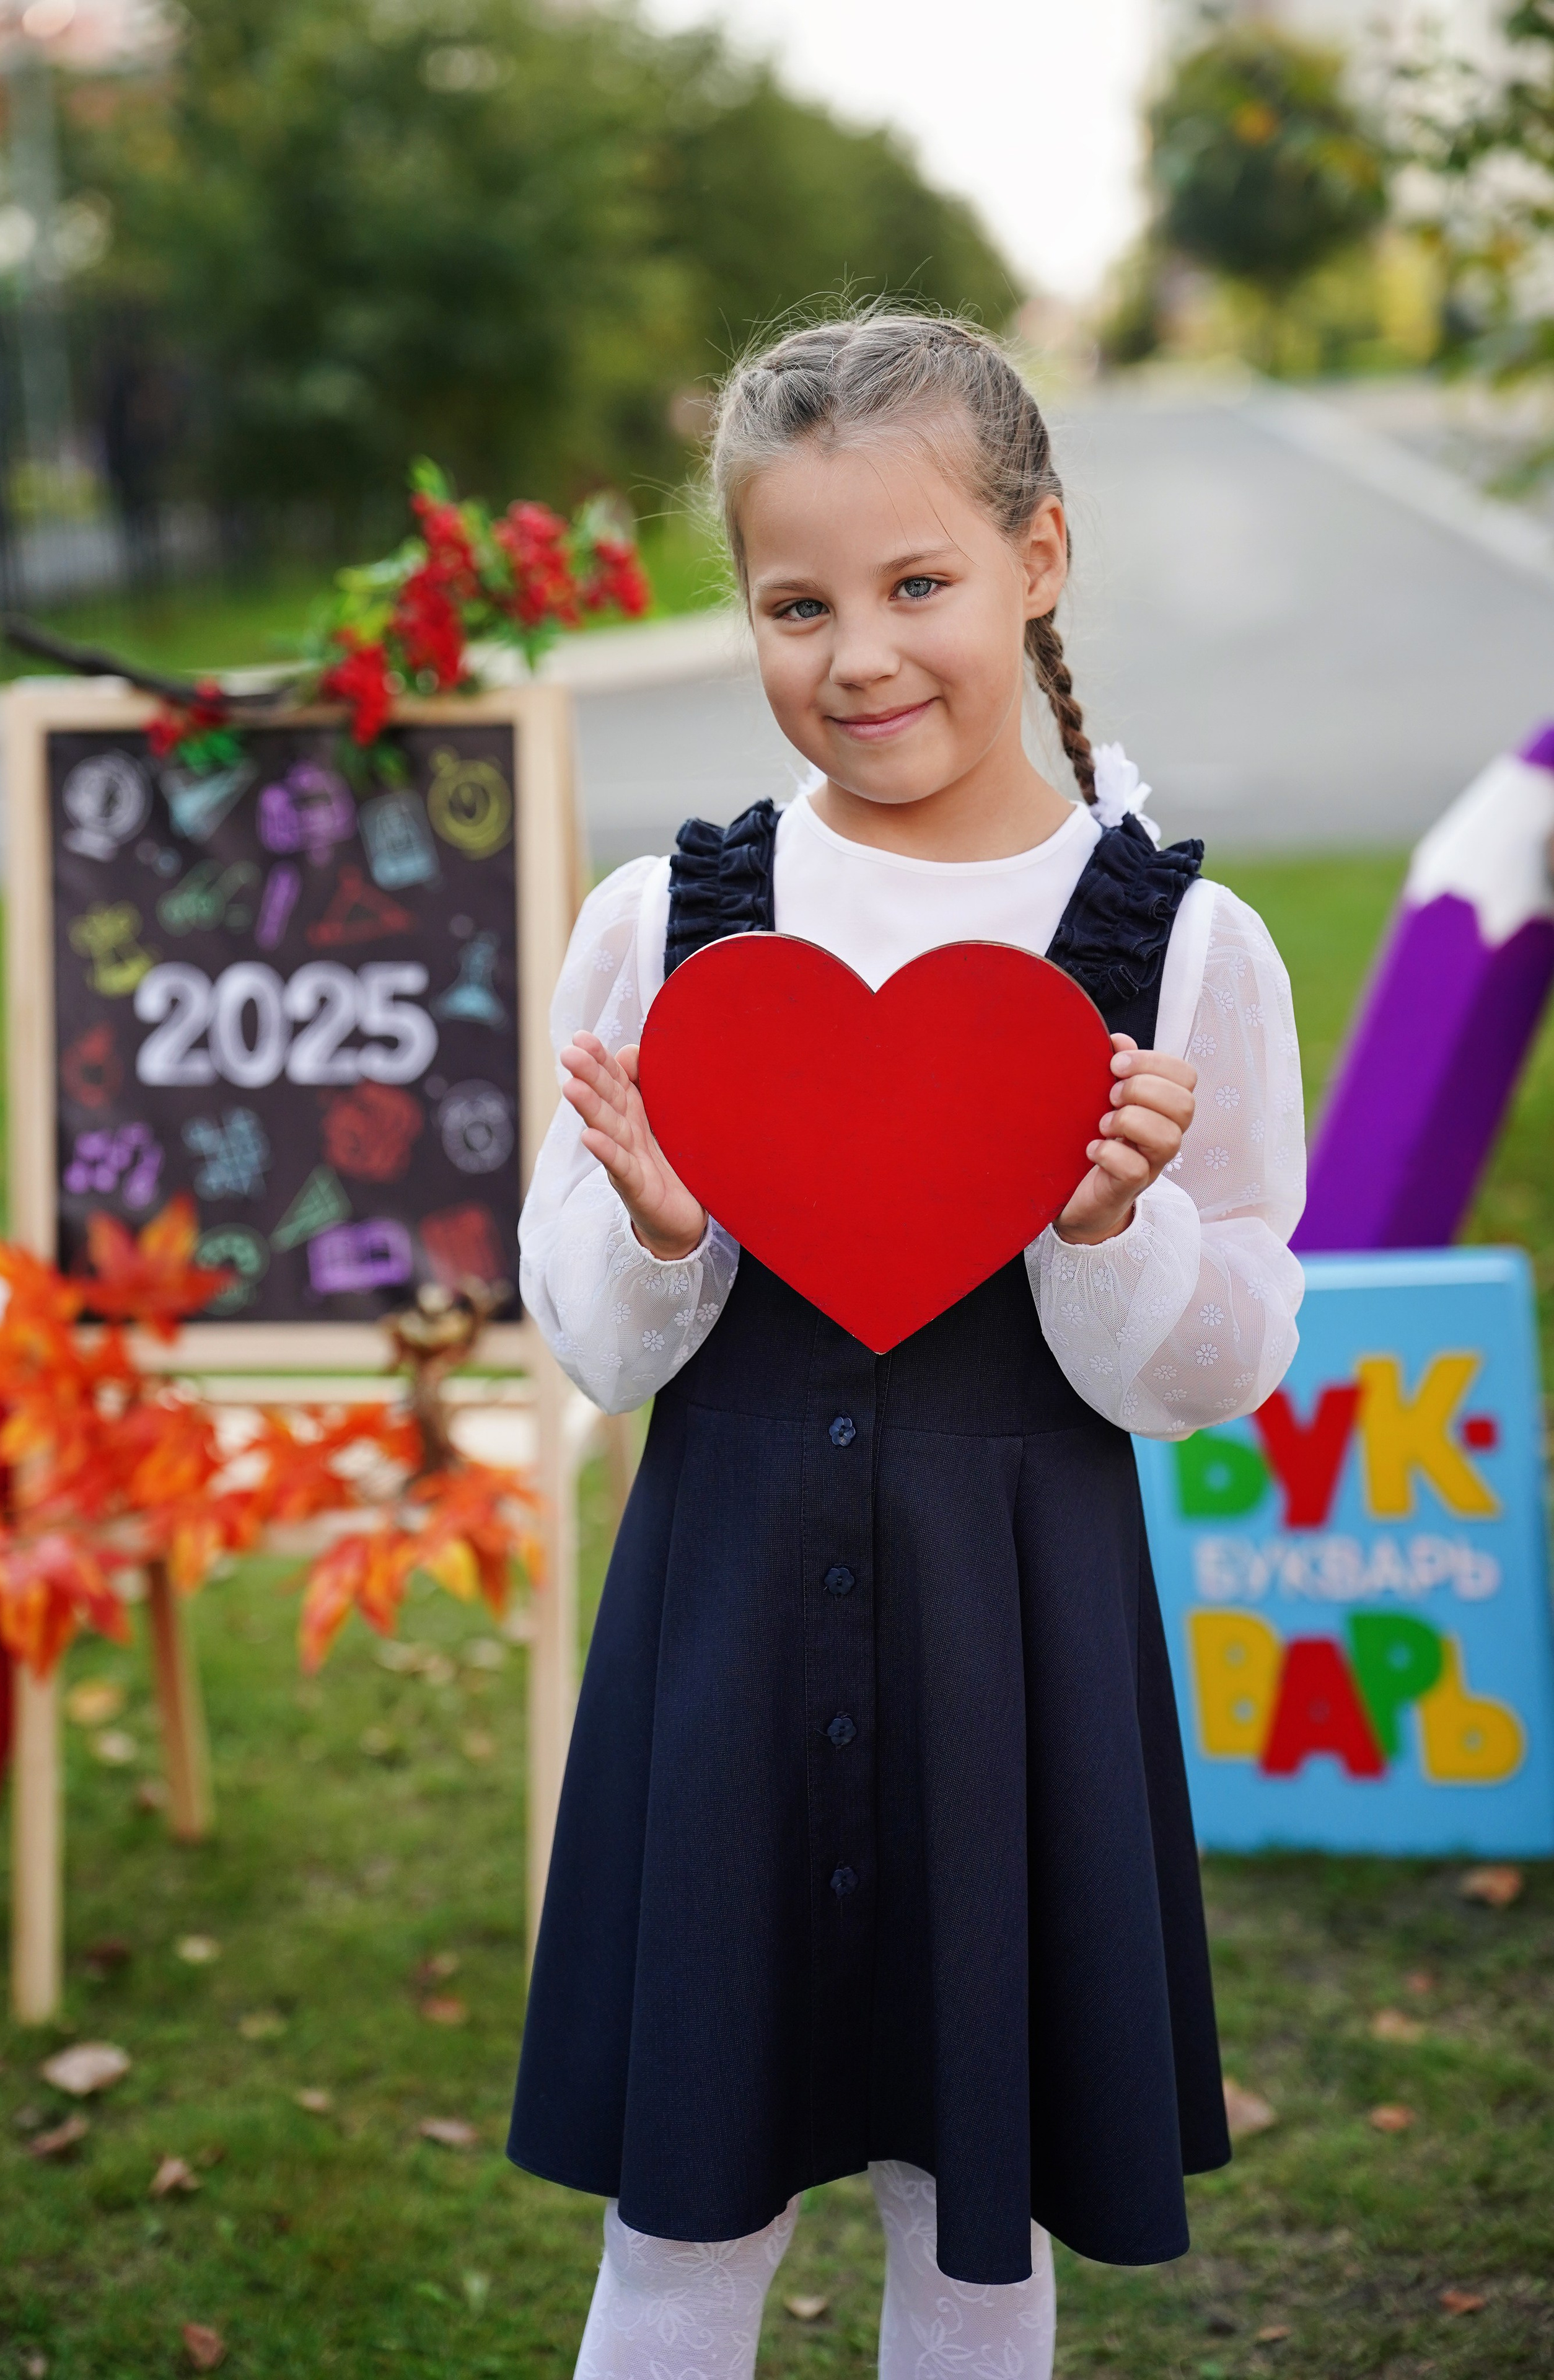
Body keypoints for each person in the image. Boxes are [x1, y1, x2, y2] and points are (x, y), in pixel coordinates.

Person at [509, 312, 1306, 2379]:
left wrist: (1111, 1232)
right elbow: (591, 1341)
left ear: (1039, 556)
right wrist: (666, 1231)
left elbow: (1216, 1367)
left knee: (977, 2247)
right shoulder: (667, 928)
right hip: (726, 1650)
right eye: (799, 605)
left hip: (1011, 1662)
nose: (859, 656)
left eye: (917, 583)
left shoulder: (1181, 952)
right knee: (682, 2226)